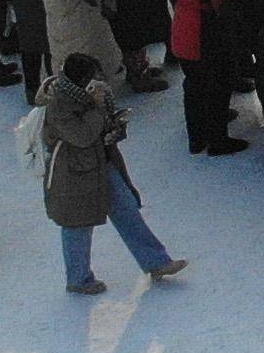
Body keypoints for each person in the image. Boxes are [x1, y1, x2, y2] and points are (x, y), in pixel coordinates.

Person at [43, 52, 187, 293]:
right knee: (77, 226)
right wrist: (98, 109)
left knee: (126, 210)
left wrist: (114, 127)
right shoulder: (60, 105)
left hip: (100, 165)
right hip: (74, 176)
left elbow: (98, 130)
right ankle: (78, 279)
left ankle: (157, 262)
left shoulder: (82, 95)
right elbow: (83, 136)